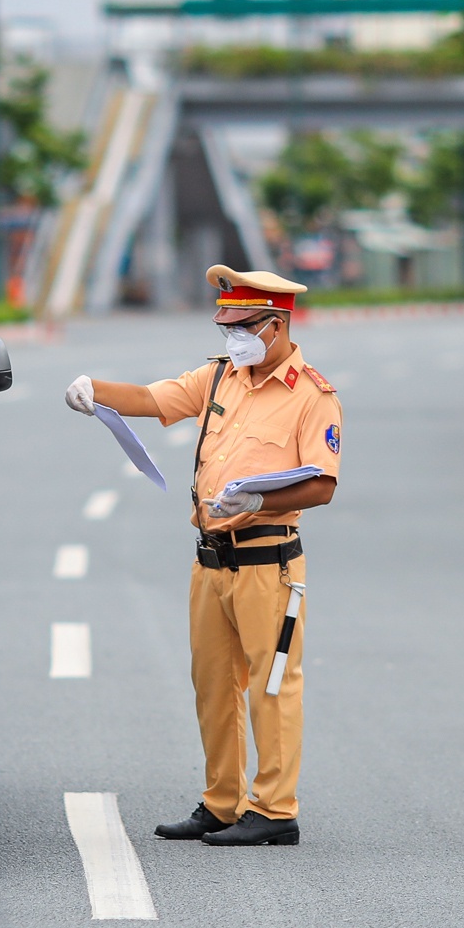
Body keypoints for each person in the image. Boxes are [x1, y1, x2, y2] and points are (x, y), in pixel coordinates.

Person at [64, 265, 343, 847]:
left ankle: (275, 810)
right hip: (211, 562)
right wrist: (95, 391)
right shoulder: (220, 378)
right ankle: (223, 802)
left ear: (276, 324)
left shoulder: (312, 396)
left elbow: (322, 485)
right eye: (226, 327)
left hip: (268, 562)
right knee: (214, 686)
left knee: (271, 686)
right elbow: (151, 398)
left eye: (243, 326)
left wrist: (260, 499)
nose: (233, 337)